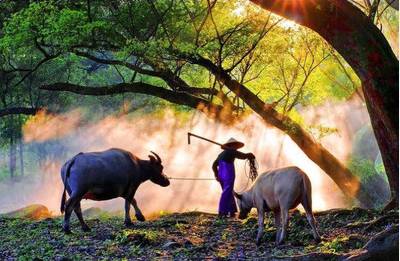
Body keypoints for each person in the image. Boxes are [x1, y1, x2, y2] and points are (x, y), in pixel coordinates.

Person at [212, 138, 255, 218]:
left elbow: (214, 165)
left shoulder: (221, 154)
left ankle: (232, 211)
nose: (236, 147)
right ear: (231, 145)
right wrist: (249, 155)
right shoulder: (231, 151)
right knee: (226, 192)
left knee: (229, 191)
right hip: (228, 173)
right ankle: (222, 212)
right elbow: (242, 156)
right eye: (235, 145)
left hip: (221, 175)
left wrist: (216, 175)